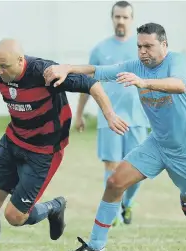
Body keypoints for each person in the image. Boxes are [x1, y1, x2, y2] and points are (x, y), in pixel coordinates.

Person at [43, 23, 186, 251]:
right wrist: (67, 68)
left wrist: (144, 83)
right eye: (139, 46)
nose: (142, 52)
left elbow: (179, 84)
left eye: (148, 46)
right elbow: (99, 70)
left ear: (164, 45)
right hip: (158, 144)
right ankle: (96, 247)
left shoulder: (177, 61)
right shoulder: (135, 66)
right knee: (114, 182)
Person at [0, 38, 129, 251]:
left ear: (20, 60)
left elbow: (92, 84)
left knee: (15, 216)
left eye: (4, 66)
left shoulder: (45, 72)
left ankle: (53, 207)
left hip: (44, 152)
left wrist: (109, 115)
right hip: (13, 142)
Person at [75, 1, 149, 226]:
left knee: (139, 169)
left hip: (137, 119)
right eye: (117, 17)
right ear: (112, 18)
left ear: (132, 20)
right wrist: (78, 114)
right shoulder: (100, 50)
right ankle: (112, 213)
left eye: (125, 17)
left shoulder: (142, 50)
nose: (121, 21)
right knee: (111, 166)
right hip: (109, 120)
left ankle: (128, 203)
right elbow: (86, 84)